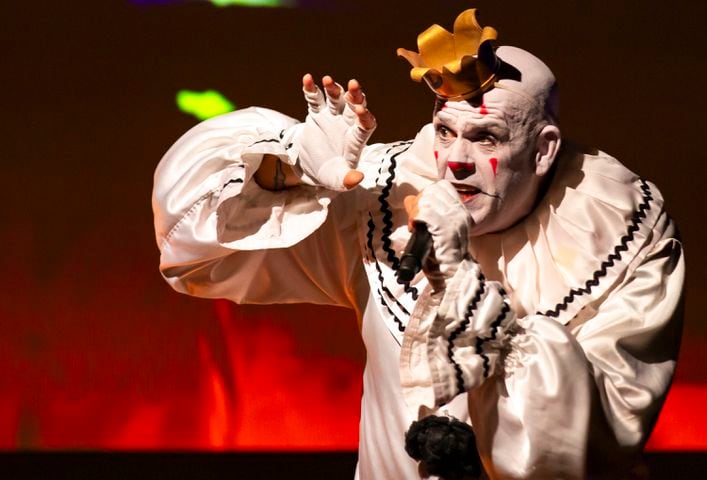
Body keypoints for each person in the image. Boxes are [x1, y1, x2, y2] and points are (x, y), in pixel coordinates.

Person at [152, 9, 684, 479]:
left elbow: (586, 447)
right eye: (445, 131)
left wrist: (455, 280)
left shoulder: (618, 230)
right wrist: (287, 166)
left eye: (485, 138)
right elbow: (195, 252)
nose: (453, 160)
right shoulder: (387, 194)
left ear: (543, 150)